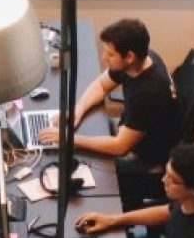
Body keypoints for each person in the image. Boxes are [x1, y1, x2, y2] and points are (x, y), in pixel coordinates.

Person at [39, 18, 177, 166]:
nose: (104, 58)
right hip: (131, 128)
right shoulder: (140, 59)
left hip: (147, 153)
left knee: (84, 163)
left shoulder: (149, 93)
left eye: (110, 54)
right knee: (88, 128)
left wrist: (68, 138)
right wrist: (78, 110)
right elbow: (102, 85)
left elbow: (119, 147)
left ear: (129, 57)